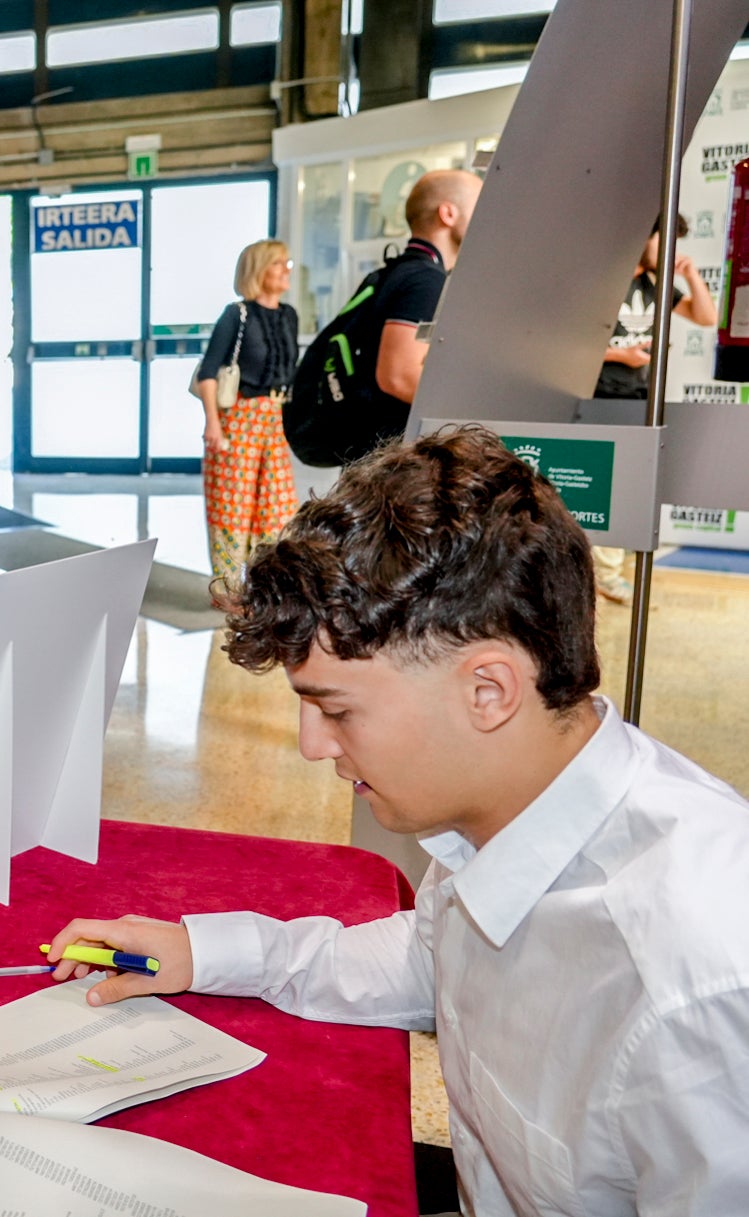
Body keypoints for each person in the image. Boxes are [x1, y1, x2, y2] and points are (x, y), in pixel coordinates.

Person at [46, 427, 749, 1217]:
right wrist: (204, 950)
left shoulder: (699, 985)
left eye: (336, 710)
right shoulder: (509, 805)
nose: (314, 746)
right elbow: (430, 965)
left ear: (488, 690)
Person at [589, 214, 717, 604]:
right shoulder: (604, 280)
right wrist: (620, 355)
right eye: (666, 242)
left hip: (638, 397)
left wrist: (691, 274)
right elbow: (567, 341)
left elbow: (707, 317)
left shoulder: (657, 283)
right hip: (598, 397)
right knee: (600, 487)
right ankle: (601, 575)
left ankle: (608, 572)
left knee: (627, 485)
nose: (672, 252)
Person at [192, 240, 299, 586]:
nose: (286, 270)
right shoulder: (236, 315)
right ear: (258, 270)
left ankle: (267, 587)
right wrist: (213, 425)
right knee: (232, 510)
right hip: (240, 418)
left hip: (276, 418)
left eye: (287, 263)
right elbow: (208, 372)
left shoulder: (288, 315)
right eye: (277, 264)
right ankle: (228, 588)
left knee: (278, 506)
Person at [368, 169, 481, 428]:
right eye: (478, 206)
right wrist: (474, 415)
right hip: (396, 456)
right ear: (448, 214)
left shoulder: (396, 270)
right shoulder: (425, 279)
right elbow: (399, 375)